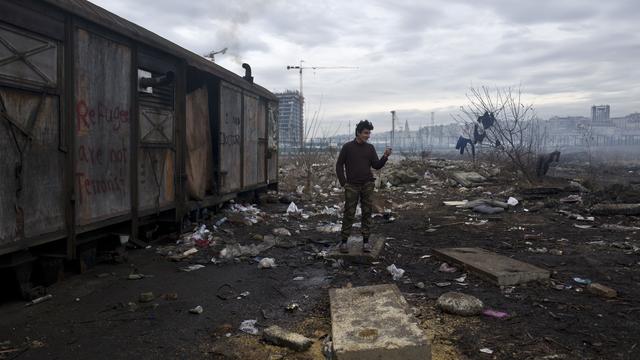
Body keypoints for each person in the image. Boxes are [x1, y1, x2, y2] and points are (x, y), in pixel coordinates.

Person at [335, 120, 392, 253]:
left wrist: (385, 156)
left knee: (367, 213)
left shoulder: (370, 148)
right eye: (366, 133)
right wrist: (344, 183)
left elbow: (376, 165)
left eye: (369, 133)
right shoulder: (347, 147)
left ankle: (366, 242)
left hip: (367, 184)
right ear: (358, 133)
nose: (368, 135)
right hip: (352, 186)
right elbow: (339, 165)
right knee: (349, 213)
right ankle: (344, 242)